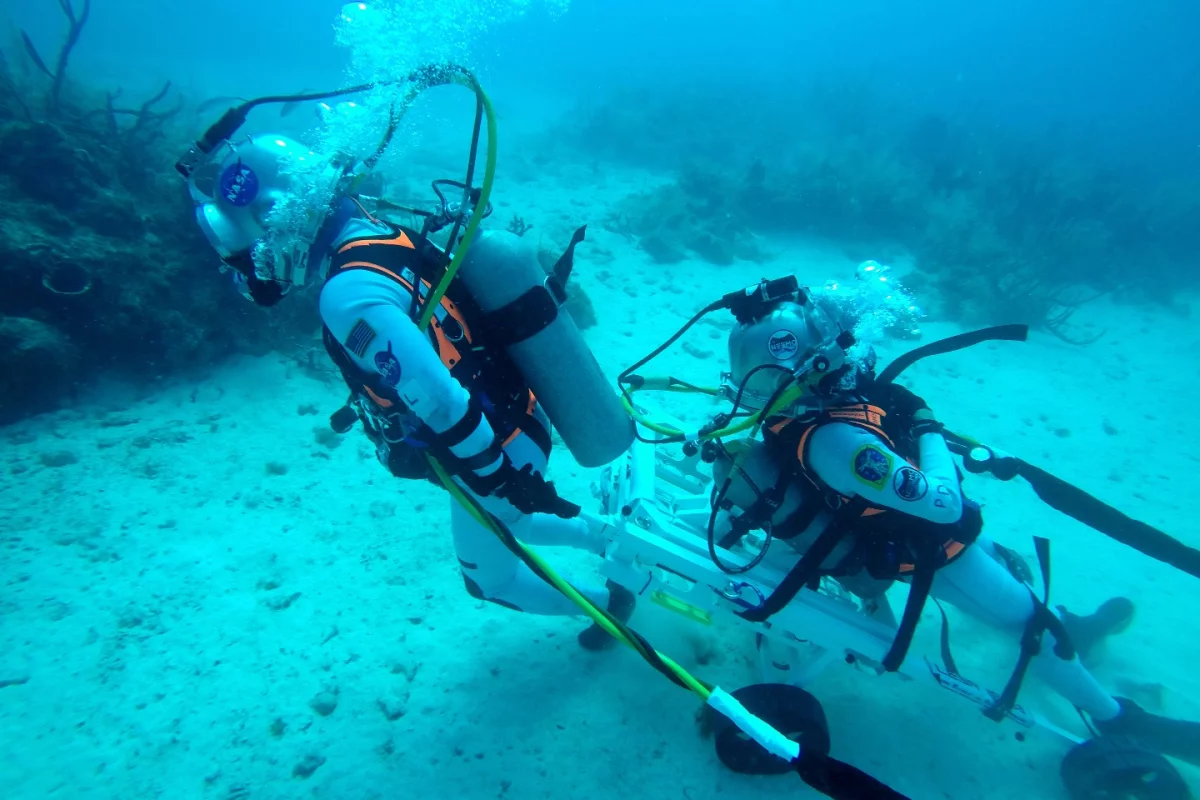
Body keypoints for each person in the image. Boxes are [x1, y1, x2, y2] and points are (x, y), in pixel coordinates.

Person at [707, 282, 1200, 765]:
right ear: (813, 364)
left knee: (1005, 571)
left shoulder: (812, 412)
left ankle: (1065, 638)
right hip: (933, 552)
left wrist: (911, 422)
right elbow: (943, 505)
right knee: (1033, 626)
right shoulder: (840, 442)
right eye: (838, 345)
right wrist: (927, 427)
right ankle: (1115, 716)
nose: (855, 353)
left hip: (921, 531)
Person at [189, 132, 634, 650]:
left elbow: (440, 399)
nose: (260, 267)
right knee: (516, 520)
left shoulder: (346, 292)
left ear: (275, 216)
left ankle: (612, 611)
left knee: (490, 579)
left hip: (492, 443)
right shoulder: (377, 232)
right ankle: (614, 544)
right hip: (512, 415)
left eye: (256, 251)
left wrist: (496, 474)